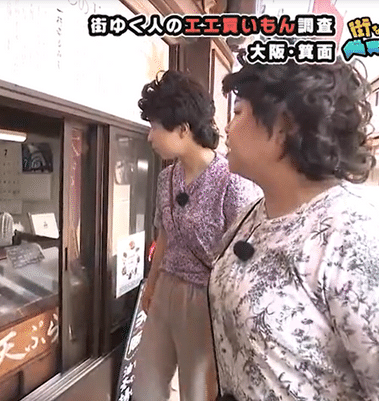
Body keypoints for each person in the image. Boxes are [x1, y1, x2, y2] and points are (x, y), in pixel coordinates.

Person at [209, 54, 379, 400]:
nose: (227, 128)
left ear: (284, 126)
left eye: (238, 112)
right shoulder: (250, 217)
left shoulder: (362, 242)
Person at [132, 70, 261, 401]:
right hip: (166, 288)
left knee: (197, 390)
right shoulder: (166, 178)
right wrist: (152, 283)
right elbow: (164, 235)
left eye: (155, 126)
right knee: (145, 383)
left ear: (182, 129)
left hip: (205, 297)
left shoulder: (232, 181)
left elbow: (245, 257)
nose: (150, 136)